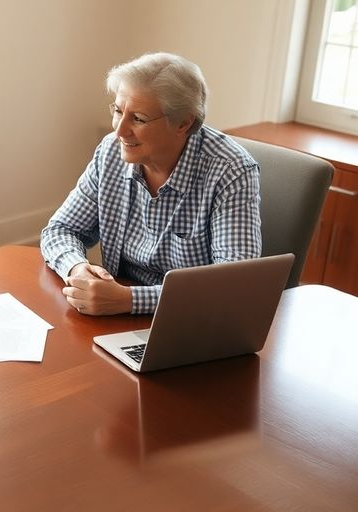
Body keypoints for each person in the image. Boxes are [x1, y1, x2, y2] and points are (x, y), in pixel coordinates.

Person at [40, 52, 261, 316]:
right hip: (116, 318)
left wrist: (130, 300)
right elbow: (60, 230)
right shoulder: (110, 151)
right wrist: (77, 269)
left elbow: (231, 286)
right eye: (118, 111)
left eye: (138, 119)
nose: (120, 131)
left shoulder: (230, 171)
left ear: (183, 123)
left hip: (193, 322)